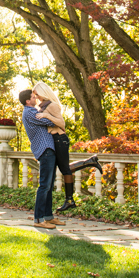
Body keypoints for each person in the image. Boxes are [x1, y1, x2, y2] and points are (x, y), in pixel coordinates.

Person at [31, 82, 102, 211]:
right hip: (55, 141)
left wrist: (46, 116)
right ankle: (89, 163)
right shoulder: (43, 106)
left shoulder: (51, 106)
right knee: (64, 168)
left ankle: (70, 199)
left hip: (60, 139)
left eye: (36, 94)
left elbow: (61, 123)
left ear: (42, 93)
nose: (36, 97)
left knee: (65, 169)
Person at [19, 88, 61, 229]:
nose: (35, 98)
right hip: (45, 150)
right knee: (44, 186)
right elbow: (51, 123)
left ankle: (48, 217)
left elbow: (48, 120)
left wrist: (47, 116)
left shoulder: (34, 112)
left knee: (49, 186)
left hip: (49, 150)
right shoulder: (30, 112)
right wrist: (50, 116)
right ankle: (38, 219)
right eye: (33, 97)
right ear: (27, 100)